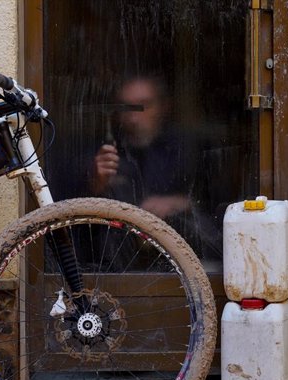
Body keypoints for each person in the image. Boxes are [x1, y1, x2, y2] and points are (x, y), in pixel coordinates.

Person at [90, 75, 218, 259]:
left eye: (144, 105)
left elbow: (216, 203)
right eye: (127, 107)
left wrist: (178, 203)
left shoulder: (188, 148)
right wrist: (96, 182)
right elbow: (80, 211)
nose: (133, 117)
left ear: (164, 107)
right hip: (118, 260)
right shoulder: (105, 149)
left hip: (182, 252)